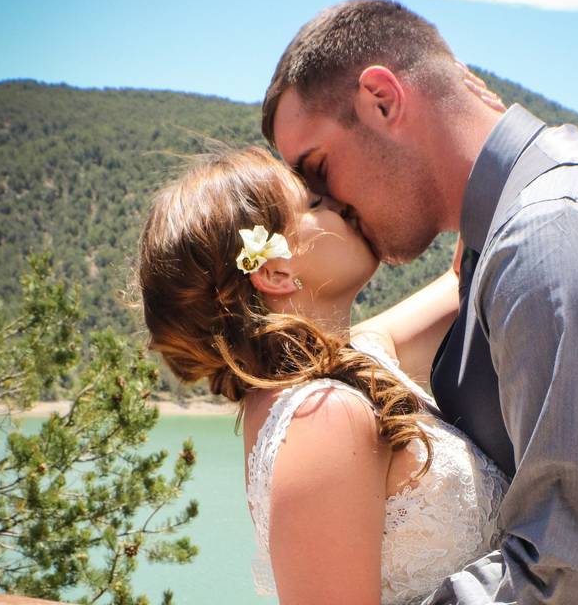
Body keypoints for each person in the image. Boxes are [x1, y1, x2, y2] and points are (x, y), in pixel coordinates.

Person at [261, 0, 578, 604]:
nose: (326, 202)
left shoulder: (553, 234)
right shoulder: (513, 232)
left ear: (383, 99)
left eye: (317, 169)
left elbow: (568, 572)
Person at [136, 146, 510, 605]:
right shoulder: (321, 417)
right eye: (315, 204)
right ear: (274, 271)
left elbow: (464, 278)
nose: (342, 202)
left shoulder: (355, 364)